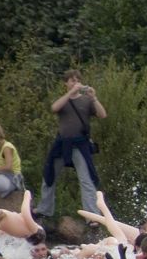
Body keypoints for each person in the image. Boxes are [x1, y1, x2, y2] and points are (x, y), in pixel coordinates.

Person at [33, 69, 107, 221]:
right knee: (49, 176)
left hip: (80, 145)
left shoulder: (86, 101)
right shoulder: (64, 100)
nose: (75, 82)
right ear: (66, 83)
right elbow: (54, 108)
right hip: (62, 144)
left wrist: (94, 98)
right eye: (72, 80)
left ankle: (92, 216)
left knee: (86, 180)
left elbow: (102, 115)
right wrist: (70, 93)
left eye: (77, 80)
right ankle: (44, 209)